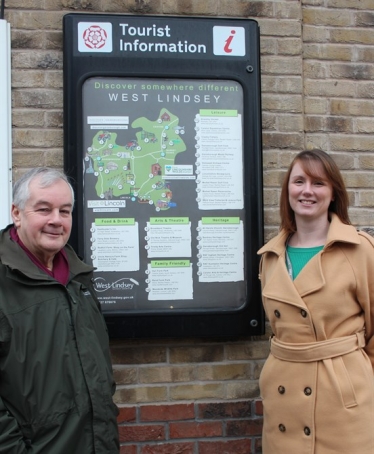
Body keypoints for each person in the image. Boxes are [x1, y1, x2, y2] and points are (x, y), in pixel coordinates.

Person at [257, 149, 374, 454]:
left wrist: (357, 376)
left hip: (342, 404)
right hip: (283, 401)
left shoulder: (359, 250)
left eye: (318, 183)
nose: (307, 191)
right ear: (287, 191)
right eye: (299, 181)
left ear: (333, 192)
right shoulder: (270, 256)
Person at [0, 167, 119, 453]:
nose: (56, 220)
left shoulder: (80, 277)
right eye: (44, 209)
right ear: (17, 213)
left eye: (64, 211)